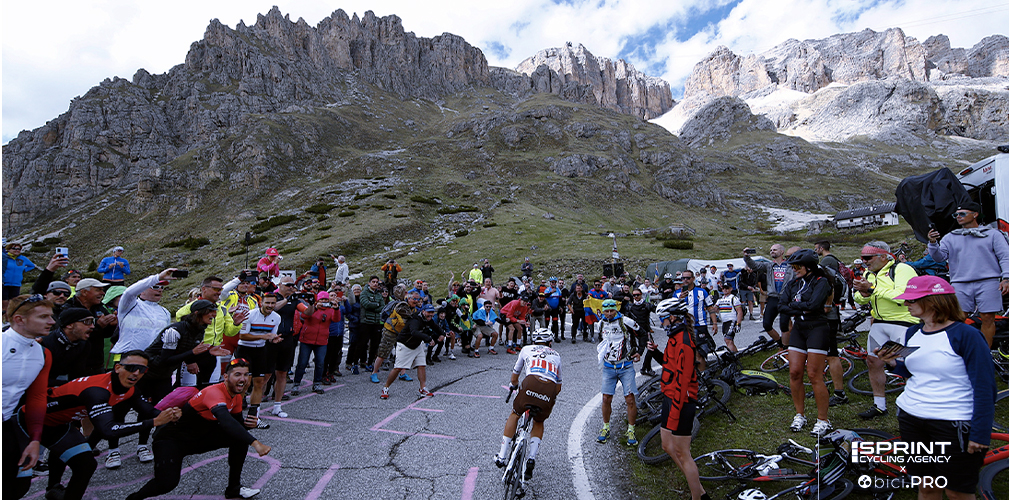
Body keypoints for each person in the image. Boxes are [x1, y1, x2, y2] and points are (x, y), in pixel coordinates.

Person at [876, 276, 996, 500]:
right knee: (927, 486)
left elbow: (985, 387)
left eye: (912, 299)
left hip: (952, 423)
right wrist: (893, 364)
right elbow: (917, 371)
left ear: (933, 301)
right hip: (912, 419)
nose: (906, 303)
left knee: (956, 492)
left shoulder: (967, 335)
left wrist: (980, 433)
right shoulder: (912, 332)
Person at [32, 351, 181, 498]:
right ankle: (53, 488)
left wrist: (170, 414)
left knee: (85, 464)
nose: (136, 373)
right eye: (131, 368)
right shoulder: (97, 391)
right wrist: (154, 422)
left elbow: (147, 410)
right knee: (22, 483)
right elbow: (108, 430)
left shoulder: (129, 389)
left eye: (142, 370)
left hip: (57, 424)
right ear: (117, 368)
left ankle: (54, 489)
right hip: (31, 420)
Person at [126, 359, 271, 500]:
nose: (243, 379)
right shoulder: (214, 392)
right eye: (237, 374)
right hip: (171, 440)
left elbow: (236, 425)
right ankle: (134, 498)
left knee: (239, 439)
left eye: (246, 375)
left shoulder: (236, 397)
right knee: (166, 483)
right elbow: (225, 421)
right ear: (226, 377)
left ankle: (234, 488)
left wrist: (248, 425)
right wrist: (256, 443)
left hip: (199, 439)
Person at [644, 298, 710, 500]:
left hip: (681, 401)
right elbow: (669, 364)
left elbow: (683, 382)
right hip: (671, 396)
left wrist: (674, 412)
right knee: (667, 446)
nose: (661, 323)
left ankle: (698, 497)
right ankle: (699, 491)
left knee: (682, 452)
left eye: (662, 318)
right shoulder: (674, 337)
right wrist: (655, 353)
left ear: (673, 318)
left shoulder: (684, 342)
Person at [852, 241, 919, 419]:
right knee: (873, 362)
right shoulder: (868, 273)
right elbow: (861, 299)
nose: (864, 261)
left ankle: (914, 404)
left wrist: (872, 289)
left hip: (903, 322)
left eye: (868, 257)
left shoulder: (902, 269)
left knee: (907, 364)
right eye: (862, 257)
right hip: (880, 322)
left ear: (884, 256)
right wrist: (863, 293)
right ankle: (879, 405)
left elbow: (903, 296)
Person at [927, 201, 1009, 347]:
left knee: (988, 317)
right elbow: (939, 258)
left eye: (962, 214)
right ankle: (959, 351)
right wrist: (933, 244)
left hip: (988, 281)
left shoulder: (992, 234)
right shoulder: (950, 237)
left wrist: (1006, 277)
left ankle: (984, 352)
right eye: (956, 215)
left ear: (975, 214)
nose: (958, 217)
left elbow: (1005, 256)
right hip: (960, 282)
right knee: (958, 318)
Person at [493, 328, 562, 486]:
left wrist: (514, 385)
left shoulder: (526, 349)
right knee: (539, 421)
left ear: (534, 341)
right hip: (549, 389)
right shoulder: (556, 355)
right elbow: (558, 387)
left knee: (515, 414)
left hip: (530, 383)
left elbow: (515, 375)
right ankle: (531, 458)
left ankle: (502, 457)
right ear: (550, 343)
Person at [777, 249, 834, 437]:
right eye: (792, 266)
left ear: (809, 266)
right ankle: (799, 414)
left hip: (817, 328)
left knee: (814, 374)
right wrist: (801, 308)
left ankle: (823, 420)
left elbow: (814, 305)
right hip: (799, 329)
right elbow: (781, 306)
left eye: (797, 266)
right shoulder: (793, 283)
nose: (794, 269)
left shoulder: (821, 281)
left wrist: (794, 306)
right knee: (794, 372)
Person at [4, 295, 54, 499]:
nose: (52, 321)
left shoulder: (43, 353)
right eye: (43, 317)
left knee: (16, 486)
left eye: (51, 316)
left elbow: (37, 398)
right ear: (19, 319)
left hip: (6, 423)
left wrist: (35, 440)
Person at [144, 300, 227, 403]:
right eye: (210, 311)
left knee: (163, 405)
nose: (214, 315)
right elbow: (165, 359)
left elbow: (186, 354)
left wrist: (208, 353)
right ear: (197, 313)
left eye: (214, 311)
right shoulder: (174, 331)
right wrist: (192, 353)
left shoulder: (200, 330)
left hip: (164, 374)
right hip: (148, 373)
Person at [175, 277, 245, 387]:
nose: (219, 292)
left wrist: (236, 324)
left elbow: (229, 332)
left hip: (213, 354)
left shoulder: (222, 309)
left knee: (210, 388)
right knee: (188, 390)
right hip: (193, 354)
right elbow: (182, 331)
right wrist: (189, 360)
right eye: (216, 289)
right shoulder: (191, 307)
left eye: (220, 289)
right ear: (204, 289)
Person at [595, 299, 642, 445]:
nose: (609, 314)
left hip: (626, 366)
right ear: (603, 311)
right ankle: (606, 427)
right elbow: (602, 340)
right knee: (606, 398)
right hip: (608, 367)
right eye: (606, 311)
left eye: (612, 311)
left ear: (616, 310)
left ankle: (631, 430)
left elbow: (643, 333)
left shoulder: (625, 321)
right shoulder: (600, 323)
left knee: (630, 399)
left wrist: (639, 352)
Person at [234, 293, 281, 428]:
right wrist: (264, 336)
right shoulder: (250, 314)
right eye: (267, 303)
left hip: (260, 350)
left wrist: (274, 339)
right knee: (244, 382)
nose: (270, 306)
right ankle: (237, 415)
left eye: (273, 303)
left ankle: (253, 416)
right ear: (261, 303)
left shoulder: (276, 317)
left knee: (259, 382)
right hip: (244, 349)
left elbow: (271, 336)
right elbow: (242, 336)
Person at [110, 269, 176, 363]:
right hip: (129, 358)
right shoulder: (130, 305)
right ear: (142, 290)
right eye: (155, 287)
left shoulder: (165, 312)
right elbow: (129, 293)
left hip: (152, 360)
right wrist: (158, 277)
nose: (160, 290)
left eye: (162, 287)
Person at [380, 304, 440, 399]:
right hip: (405, 345)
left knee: (421, 365)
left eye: (432, 312)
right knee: (398, 368)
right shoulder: (415, 320)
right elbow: (414, 332)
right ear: (423, 311)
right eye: (429, 312)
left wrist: (444, 334)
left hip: (417, 345)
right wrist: (428, 339)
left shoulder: (428, 320)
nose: (431, 314)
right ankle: (385, 388)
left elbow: (435, 327)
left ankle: (423, 388)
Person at [64, 278, 117, 375]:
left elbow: (105, 334)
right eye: (98, 290)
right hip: (73, 364)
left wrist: (112, 325)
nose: (102, 293)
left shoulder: (99, 307)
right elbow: (72, 335)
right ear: (84, 292)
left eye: (102, 290)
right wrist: (98, 326)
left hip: (96, 363)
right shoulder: (69, 308)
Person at [744, 245, 789, 347]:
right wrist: (747, 257)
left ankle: (787, 347)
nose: (772, 251)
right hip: (773, 297)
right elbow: (755, 266)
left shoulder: (790, 265)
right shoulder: (768, 265)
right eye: (771, 250)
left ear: (782, 252)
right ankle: (780, 344)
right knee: (767, 324)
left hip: (786, 297)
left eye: (775, 250)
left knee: (785, 325)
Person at [292, 291, 336, 395]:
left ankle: (317, 383)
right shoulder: (312, 307)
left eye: (326, 300)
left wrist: (337, 308)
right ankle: (296, 384)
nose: (324, 301)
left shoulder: (330, 310)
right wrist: (315, 307)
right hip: (307, 339)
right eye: (322, 299)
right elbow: (305, 315)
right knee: (302, 363)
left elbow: (336, 319)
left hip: (321, 340)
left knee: (320, 363)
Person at [41, 307, 94, 386]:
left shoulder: (84, 344)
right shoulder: (45, 343)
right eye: (87, 322)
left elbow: (78, 374)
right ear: (69, 325)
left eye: (93, 322)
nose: (92, 326)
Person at [3, 243, 37, 318]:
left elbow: (32, 266)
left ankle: (9, 319)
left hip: (16, 283)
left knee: (14, 302)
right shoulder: (4, 257)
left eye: (19, 249)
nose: (17, 250)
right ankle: (3, 319)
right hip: (4, 283)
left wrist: (24, 270)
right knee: (4, 302)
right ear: (8, 249)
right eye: (14, 248)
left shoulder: (22, 258)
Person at [714, 283, 744, 353]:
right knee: (728, 340)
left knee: (728, 340)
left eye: (727, 288)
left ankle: (732, 356)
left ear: (731, 289)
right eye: (723, 288)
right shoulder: (720, 299)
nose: (725, 290)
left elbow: (739, 312)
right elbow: (715, 309)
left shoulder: (734, 298)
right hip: (724, 322)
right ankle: (737, 355)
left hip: (732, 321)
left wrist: (738, 324)